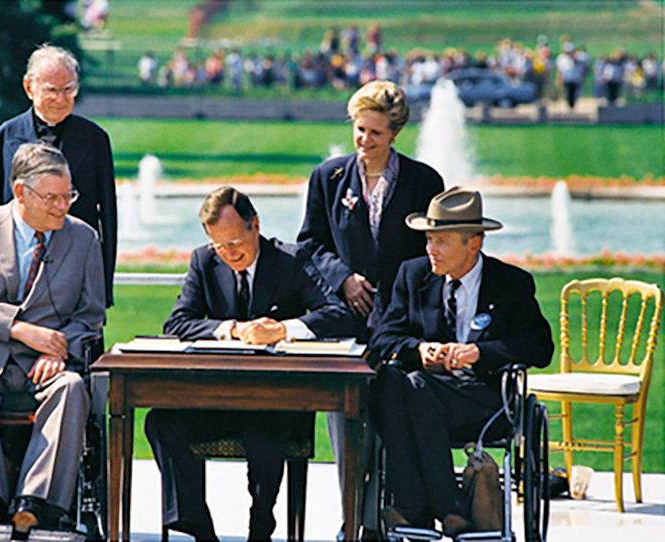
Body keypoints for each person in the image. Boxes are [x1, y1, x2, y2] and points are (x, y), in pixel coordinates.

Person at [145, 186, 354, 542]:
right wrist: (232, 329)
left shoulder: (291, 260)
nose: (230, 254)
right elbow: (177, 323)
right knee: (162, 422)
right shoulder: (203, 261)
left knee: (265, 428)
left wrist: (282, 330)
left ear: (254, 225)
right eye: (220, 246)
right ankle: (199, 530)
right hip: (217, 399)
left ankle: (261, 529)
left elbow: (338, 314)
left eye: (236, 243)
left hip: (277, 402)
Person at [297, 79, 443, 539]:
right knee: (344, 421)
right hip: (346, 322)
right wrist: (343, 278)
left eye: (375, 133)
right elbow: (309, 244)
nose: (364, 141)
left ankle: (396, 516)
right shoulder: (328, 177)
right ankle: (352, 518)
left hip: (403, 323)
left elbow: (432, 253)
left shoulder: (423, 182)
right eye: (359, 130)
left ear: (395, 133)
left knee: (393, 414)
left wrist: (397, 295)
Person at [368, 186, 554, 536]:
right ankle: (447, 508)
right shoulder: (413, 275)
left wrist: (481, 352)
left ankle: (414, 507)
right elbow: (382, 340)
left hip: (483, 397)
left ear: (474, 244)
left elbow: (539, 347)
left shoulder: (511, 284)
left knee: (408, 387)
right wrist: (418, 349)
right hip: (422, 394)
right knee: (393, 382)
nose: (430, 249)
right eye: (428, 240)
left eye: (441, 241)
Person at [0, 143, 106, 532]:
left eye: (69, 195)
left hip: (49, 366)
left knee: (70, 388)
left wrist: (61, 348)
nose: (62, 206)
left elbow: (91, 315)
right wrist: (18, 329)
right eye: (52, 197)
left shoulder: (83, 239)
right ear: (20, 192)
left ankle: (36, 503)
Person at [0, 44, 117, 307]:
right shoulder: (0, 141)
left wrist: (102, 289)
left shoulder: (96, 139)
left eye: (69, 90)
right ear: (29, 88)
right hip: (13, 284)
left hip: (76, 279)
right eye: (51, 90)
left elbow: (108, 218)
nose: (61, 99)